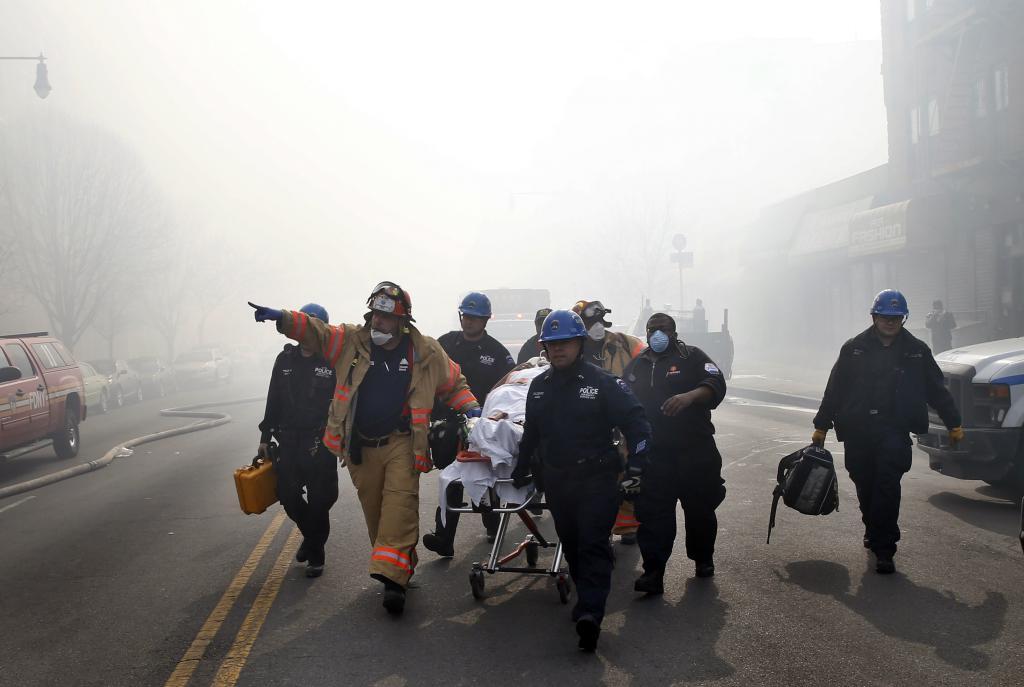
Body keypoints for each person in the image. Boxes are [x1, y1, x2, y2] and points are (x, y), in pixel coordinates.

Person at [249, 281, 480, 614]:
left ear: (402, 322)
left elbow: (453, 383)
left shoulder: (425, 351)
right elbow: (318, 332)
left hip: (403, 443)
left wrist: (470, 408)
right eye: (374, 316)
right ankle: (399, 563)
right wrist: (283, 319)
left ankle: (393, 583)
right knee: (377, 515)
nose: (377, 323)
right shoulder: (350, 343)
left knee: (399, 507)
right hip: (361, 449)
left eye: (385, 319)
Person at [513, 310, 651, 652]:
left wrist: (636, 468)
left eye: (565, 343)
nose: (558, 350)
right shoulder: (539, 387)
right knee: (572, 544)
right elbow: (531, 433)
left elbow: (639, 426)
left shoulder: (604, 384)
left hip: (597, 478)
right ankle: (584, 597)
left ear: (580, 344)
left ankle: (592, 612)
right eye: (552, 345)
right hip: (559, 481)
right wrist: (521, 467)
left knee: (592, 543)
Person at [812, 289, 963, 574]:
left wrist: (954, 423)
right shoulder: (853, 348)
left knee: (887, 486)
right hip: (858, 429)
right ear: (874, 316)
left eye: (896, 317)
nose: (890, 322)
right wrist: (821, 425)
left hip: (894, 428)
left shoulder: (917, 351)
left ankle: (885, 548)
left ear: (903, 319)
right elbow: (835, 389)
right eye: (885, 316)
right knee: (864, 482)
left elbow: (937, 391)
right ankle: (873, 526)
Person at [625, 312, 727, 593]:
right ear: (646, 334)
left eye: (664, 329)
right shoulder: (637, 365)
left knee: (700, 510)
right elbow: (622, 402)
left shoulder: (691, 357)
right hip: (655, 456)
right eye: (652, 330)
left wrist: (691, 396)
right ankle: (653, 573)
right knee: (654, 514)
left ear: (674, 332)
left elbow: (716, 384)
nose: (658, 334)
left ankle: (703, 557)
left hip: (695, 450)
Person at [423, 292, 516, 557]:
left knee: (486, 478)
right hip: (448, 423)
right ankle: (444, 538)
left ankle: (492, 523)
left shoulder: (497, 352)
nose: (469, 322)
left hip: (484, 425)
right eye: (466, 316)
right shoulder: (445, 343)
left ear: (486, 319)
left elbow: (506, 389)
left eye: (475, 318)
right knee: (451, 477)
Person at [257, 303, 339, 578]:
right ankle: (313, 537)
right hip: (288, 439)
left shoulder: (334, 362)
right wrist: (265, 436)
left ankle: (316, 554)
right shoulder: (285, 361)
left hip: (321, 442)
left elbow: (346, 404)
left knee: (320, 500)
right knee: (288, 495)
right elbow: (273, 400)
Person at [572, 299, 646, 544]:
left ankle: (627, 525)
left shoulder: (625, 344)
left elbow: (648, 363)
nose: (596, 326)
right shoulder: (574, 347)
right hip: (586, 419)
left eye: (599, 320)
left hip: (623, 413)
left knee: (627, 467)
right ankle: (596, 524)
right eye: (589, 321)